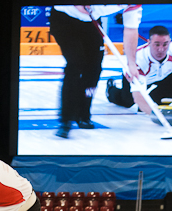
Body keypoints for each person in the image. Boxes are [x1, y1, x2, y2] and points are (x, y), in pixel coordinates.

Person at [50, 4, 142, 138]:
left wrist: (131, 63)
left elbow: (131, 30)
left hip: (90, 22)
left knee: (94, 67)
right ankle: (66, 119)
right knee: (75, 63)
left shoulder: (134, 4)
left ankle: (83, 114)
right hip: (64, 17)